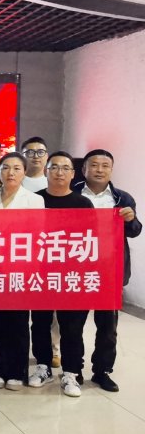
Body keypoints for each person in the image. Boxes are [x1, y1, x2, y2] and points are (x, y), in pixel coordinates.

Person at [28, 151, 94, 397]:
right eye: (54, 167)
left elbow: (92, 240)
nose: (59, 172)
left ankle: (71, 372)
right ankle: (43, 366)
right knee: (40, 322)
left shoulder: (83, 204)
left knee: (72, 326)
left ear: (73, 174)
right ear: (46, 171)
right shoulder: (35, 200)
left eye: (65, 168)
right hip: (40, 273)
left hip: (71, 275)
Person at [75, 148, 141, 393]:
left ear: (111, 170)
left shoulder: (122, 198)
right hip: (77, 269)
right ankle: (74, 369)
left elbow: (135, 231)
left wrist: (130, 220)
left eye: (105, 166)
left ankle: (102, 371)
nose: (99, 170)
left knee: (107, 328)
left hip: (110, 271)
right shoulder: (72, 193)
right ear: (84, 169)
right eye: (94, 165)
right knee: (74, 324)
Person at [0, 152, 45, 391]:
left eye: (16, 168)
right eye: (5, 168)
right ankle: (0, 369)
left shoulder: (34, 200)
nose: (10, 173)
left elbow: (37, 235)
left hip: (20, 267)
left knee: (18, 321)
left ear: (24, 172)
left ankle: (17, 371)